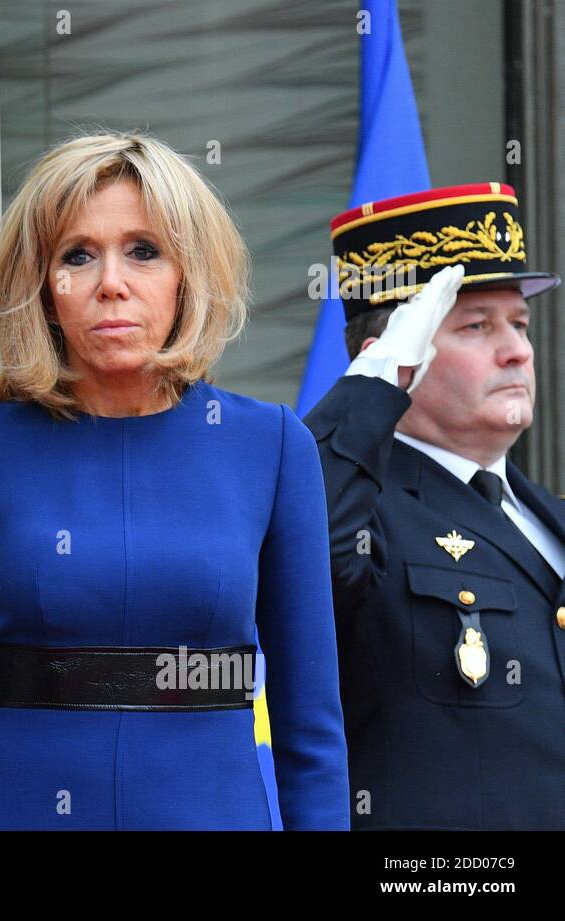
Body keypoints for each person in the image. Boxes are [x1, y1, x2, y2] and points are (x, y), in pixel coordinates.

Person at [0, 132, 350, 830]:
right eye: (77, 255)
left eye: (144, 250)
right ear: (41, 286)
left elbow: (310, 730)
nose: (111, 282)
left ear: (188, 274)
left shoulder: (272, 447)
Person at [305, 182, 565, 829]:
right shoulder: (362, 512)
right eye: (477, 325)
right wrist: (375, 383)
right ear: (395, 353)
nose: (518, 350)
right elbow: (307, 550)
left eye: (520, 324)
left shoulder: (547, 516)